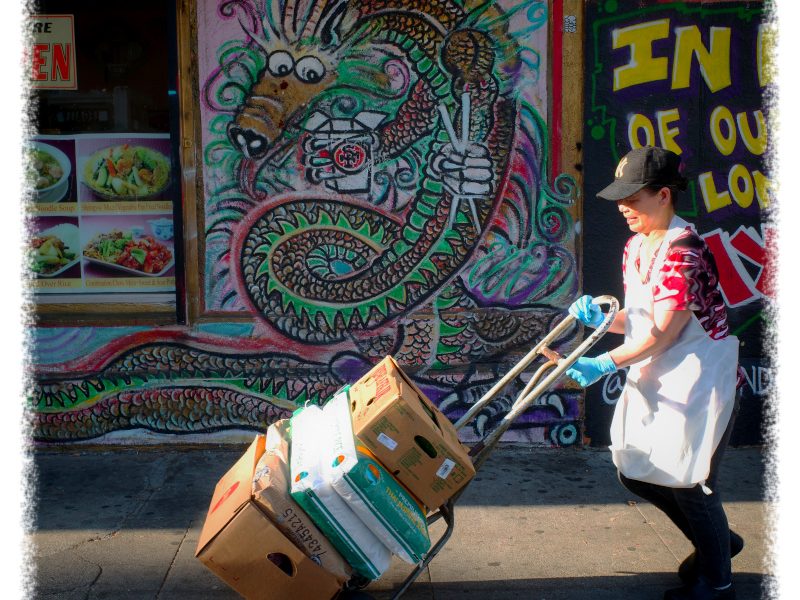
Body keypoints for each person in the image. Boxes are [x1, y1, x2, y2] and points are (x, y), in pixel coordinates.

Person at [566, 146, 744, 600]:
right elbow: (645, 321)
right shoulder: (637, 245)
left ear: (663, 195)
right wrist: (602, 321)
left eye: (634, 198)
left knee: (690, 481)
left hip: (700, 381)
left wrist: (605, 361)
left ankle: (717, 580)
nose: (623, 208)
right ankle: (717, 544)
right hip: (663, 376)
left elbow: (665, 332)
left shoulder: (683, 250)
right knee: (635, 471)